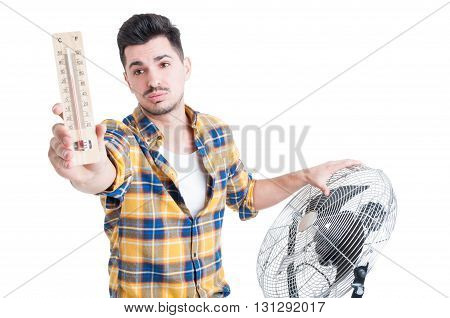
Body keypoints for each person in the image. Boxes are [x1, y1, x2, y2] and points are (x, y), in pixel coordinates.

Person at [48, 13, 361, 298]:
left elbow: (246, 195)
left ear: (186, 67)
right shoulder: (119, 136)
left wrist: (306, 176)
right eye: (138, 70)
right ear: (127, 80)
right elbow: (105, 171)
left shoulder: (215, 132)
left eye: (163, 63)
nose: (153, 80)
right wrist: (89, 171)